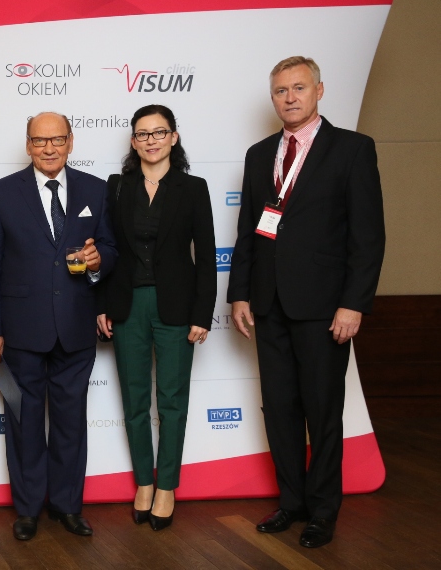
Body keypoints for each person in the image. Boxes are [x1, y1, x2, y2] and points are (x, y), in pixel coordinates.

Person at [227, 56, 385, 548]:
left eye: (299, 88)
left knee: (322, 412)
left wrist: (353, 303)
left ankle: (322, 510)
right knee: (279, 410)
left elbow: (368, 237)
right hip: (268, 303)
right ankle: (291, 502)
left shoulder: (353, 149)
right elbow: (249, 230)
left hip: (324, 307)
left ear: (319, 90)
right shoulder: (259, 154)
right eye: (280, 90)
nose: (289, 97)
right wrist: (239, 293)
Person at [0, 112, 117, 541]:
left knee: (71, 423)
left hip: (76, 328)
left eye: (57, 140)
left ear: (71, 142)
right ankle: (28, 508)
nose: (49, 148)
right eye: (40, 141)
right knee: (23, 422)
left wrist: (99, 259)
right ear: (28, 145)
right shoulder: (2, 192)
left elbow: (111, 248)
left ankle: (67, 505)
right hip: (19, 332)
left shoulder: (96, 189)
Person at [97, 104, 216, 531]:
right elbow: (106, 250)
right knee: (134, 402)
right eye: (143, 134)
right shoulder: (116, 187)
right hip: (127, 305)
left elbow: (206, 255)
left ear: (173, 137)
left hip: (177, 308)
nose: (151, 140)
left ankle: (166, 486)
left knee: (171, 401)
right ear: (133, 141)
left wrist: (203, 313)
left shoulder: (193, 187)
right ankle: (143, 484)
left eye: (159, 132)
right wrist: (102, 305)